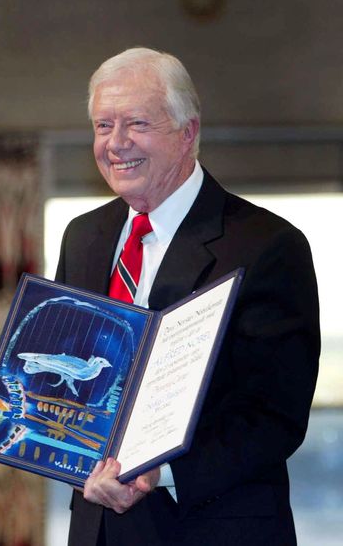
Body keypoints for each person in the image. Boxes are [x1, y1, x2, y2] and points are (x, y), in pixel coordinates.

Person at [56, 48, 319, 546]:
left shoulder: (268, 245)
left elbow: (274, 415)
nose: (116, 143)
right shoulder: (83, 236)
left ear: (188, 132)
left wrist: (162, 472)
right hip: (100, 531)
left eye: (136, 123)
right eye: (103, 125)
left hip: (212, 528)